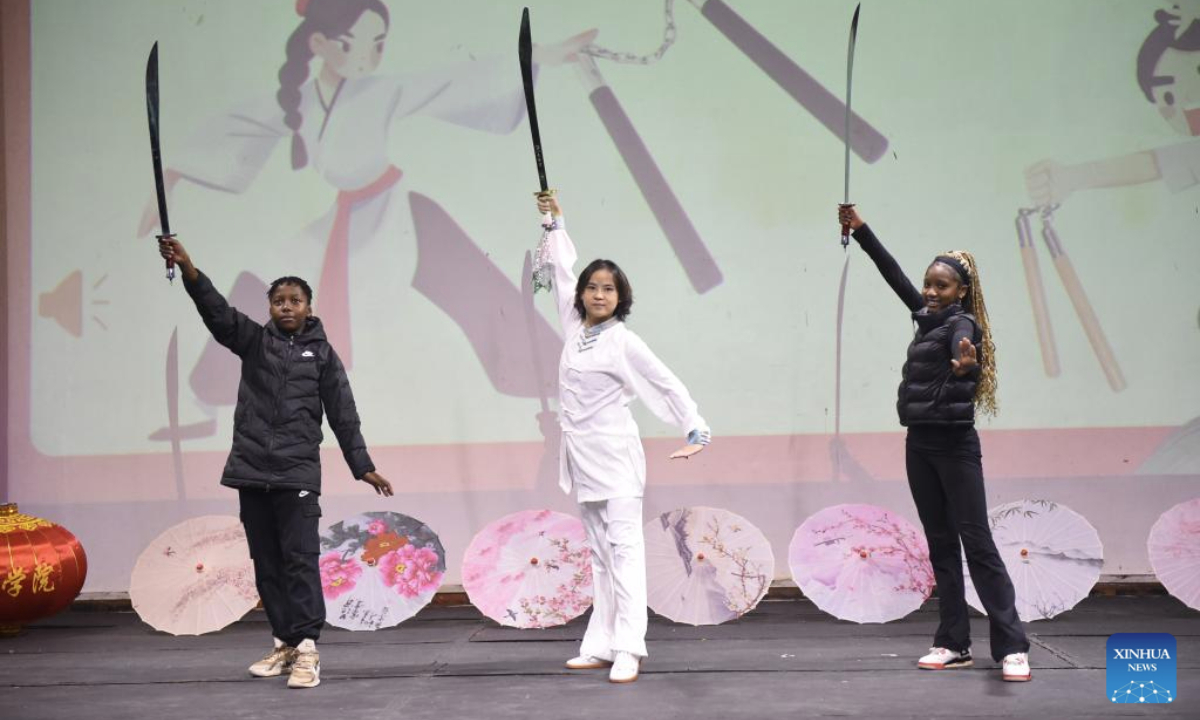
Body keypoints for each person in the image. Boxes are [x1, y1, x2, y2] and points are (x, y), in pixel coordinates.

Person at [158, 236, 393, 689]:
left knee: (299, 560)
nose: (287, 307)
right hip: (251, 472)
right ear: (269, 308)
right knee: (266, 563)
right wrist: (188, 267)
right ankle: (284, 642)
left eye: (295, 301)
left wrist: (361, 465)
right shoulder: (253, 343)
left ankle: (307, 649)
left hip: (297, 475)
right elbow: (216, 313)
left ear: (309, 307)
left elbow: (343, 412)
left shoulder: (322, 355)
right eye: (279, 301)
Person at [837, 204, 1031, 682]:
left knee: (976, 542)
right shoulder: (926, 317)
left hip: (954, 446)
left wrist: (969, 366)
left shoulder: (961, 326)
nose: (929, 291)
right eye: (929, 284)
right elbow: (894, 276)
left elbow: (968, 359)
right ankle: (953, 642)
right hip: (919, 445)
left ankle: (1012, 646)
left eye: (941, 286)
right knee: (941, 545)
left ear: (961, 291)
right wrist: (861, 231)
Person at [535, 192, 711, 684]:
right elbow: (563, 272)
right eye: (592, 287)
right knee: (599, 552)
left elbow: (664, 382)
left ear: (621, 296)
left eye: (608, 289)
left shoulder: (623, 340)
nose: (597, 294)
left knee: (625, 549)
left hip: (616, 457)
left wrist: (694, 427)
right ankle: (601, 643)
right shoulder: (573, 328)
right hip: (581, 457)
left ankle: (631, 646)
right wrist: (554, 222)